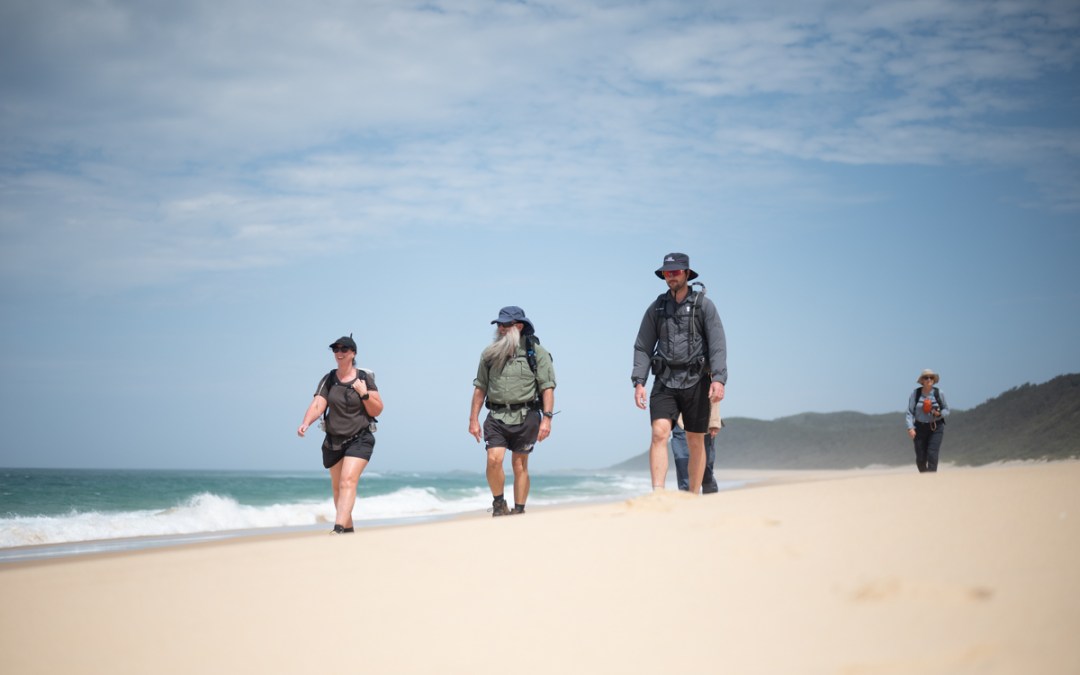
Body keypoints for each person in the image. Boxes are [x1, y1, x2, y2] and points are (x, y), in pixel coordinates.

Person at [632, 252, 727, 493]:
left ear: (686, 273)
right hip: (664, 380)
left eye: (674, 272)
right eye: (666, 273)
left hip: (697, 381)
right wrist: (639, 381)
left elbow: (717, 344)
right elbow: (643, 345)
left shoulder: (703, 305)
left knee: (695, 440)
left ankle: (693, 494)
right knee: (659, 433)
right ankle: (658, 493)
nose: (670, 277)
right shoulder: (657, 308)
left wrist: (719, 378)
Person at [469, 306, 556, 517]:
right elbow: (480, 387)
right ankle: (499, 504)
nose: (500, 328)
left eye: (505, 325)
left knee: (519, 464)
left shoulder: (536, 352)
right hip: (496, 415)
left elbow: (547, 387)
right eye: (498, 324)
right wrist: (473, 419)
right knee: (493, 460)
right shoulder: (488, 354)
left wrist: (547, 419)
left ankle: (519, 510)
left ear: (518, 326)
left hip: (526, 416)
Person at [297, 335, 384, 534]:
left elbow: (377, 410)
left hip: (360, 438)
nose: (339, 353)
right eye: (336, 349)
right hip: (334, 440)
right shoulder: (329, 379)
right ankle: (348, 530)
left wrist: (364, 394)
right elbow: (318, 404)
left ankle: (337, 529)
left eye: (344, 349)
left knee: (347, 482)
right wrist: (306, 422)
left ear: (353, 353)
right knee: (338, 488)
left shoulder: (364, 378)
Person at [671, 400, 722, 492]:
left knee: (706, 471)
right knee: (683, 467)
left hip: (703, 420)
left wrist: (714, 421)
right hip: (680, 422)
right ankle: (688, 502)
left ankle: (712, 500)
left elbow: (715, 391)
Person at [905, 368, 950, 472]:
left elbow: (947, 410)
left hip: (936, 427)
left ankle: (931, 481)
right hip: (919, 428)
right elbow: (910, 412)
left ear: (934, 380)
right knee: (921, 458)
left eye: (931, 377)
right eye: (926, 377)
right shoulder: (915, 394)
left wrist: (939, 414)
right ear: (922, 381)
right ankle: (924, 479)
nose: (929, 379)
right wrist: (910, 428)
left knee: (932, 454)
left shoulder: (939, 393)